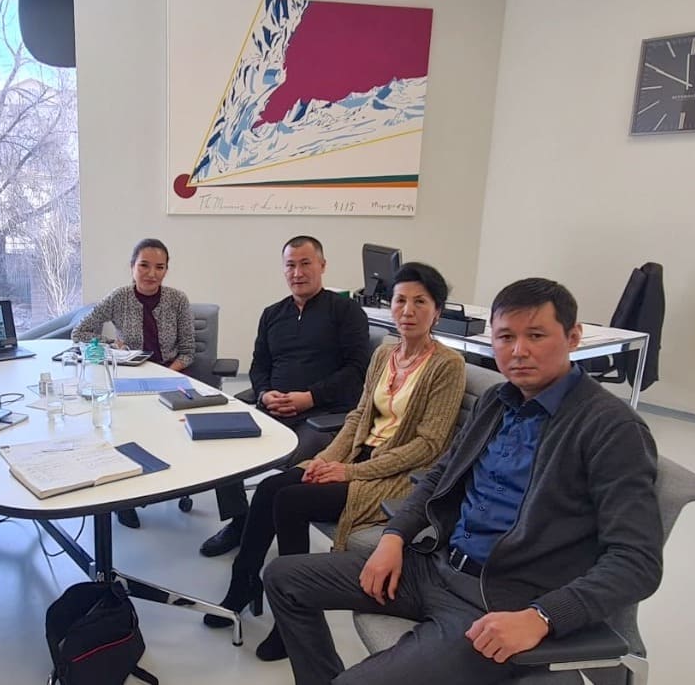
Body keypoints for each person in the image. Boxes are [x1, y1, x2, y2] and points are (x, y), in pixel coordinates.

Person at [263, 278, 663, 685]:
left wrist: (543, 617)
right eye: (506, 337)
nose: (519, 351)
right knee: (283, 578)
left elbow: (637, 561)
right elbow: (440, 476)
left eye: (536, 335)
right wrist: (394, 537)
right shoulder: (498, 401)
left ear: (573, 337)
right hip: (435, 566)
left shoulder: (612, 428)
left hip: (498, 598)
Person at [203, 263, 465, 662]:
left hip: (394, 477)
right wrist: (325, 459)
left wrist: (349, 471)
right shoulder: (384, 355)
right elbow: (360, 416)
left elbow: (428, 447)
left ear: (437, 311)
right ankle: (245, 583)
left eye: (420, 302)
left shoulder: (447, 365)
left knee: (290, 500)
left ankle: (291, 615)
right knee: (275, 487)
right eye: (401, 300)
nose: (408, 310)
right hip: (357, 458)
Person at [199, 235, 370, 557]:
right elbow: (259, 365)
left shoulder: (345, 312)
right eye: (290, 265)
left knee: (290, 469)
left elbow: (357, 370)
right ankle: (240, 520)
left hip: (321, 416)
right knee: (219, 442)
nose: (298, 272)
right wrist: (264, 394)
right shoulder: (272, 314)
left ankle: (274, 529)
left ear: (322, 265)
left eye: (306, 263)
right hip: (273, 408)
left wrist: (310, 397)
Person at [72, 237, 196, 529]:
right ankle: (123, 500)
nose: (151, 273)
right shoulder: (119, 297)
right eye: (144, 265)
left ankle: (174, 482)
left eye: (159, 267)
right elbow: (80, 332)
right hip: (129, 380)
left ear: (166, 270)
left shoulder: (178, 299)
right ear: (132, 267)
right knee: (124, 434)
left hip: (171, 379)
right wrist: (111, 346)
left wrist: (167, 375)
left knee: (170, 437)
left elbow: (189, 351)